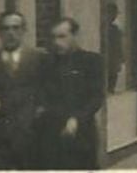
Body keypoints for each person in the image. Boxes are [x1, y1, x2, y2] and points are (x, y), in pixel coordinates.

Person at [0, 11, 50, 170]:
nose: (11, 33)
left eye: (16, 28)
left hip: (32, 140)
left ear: (24, 30)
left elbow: (50, 95)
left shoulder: (40, 59)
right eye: (5, 28)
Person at [40, 17, 105, 170]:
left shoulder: (92, 61)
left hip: (82, 134)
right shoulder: (45, 64)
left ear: (75, 36)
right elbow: (41, 96)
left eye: (62, 36)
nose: (56, 42)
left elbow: (96, 98)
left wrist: (77, 119)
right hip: (51, 134)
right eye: (53, 37)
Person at [105, 3, 123, 94]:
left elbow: (119, 45)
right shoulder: (106, 28)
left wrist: (121, 57)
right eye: (113, 13)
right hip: (108, 58)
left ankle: (110, 91)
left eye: (115, 14)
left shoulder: (115, 28)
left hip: (114, 59)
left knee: (113, 76)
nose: (114, 16)